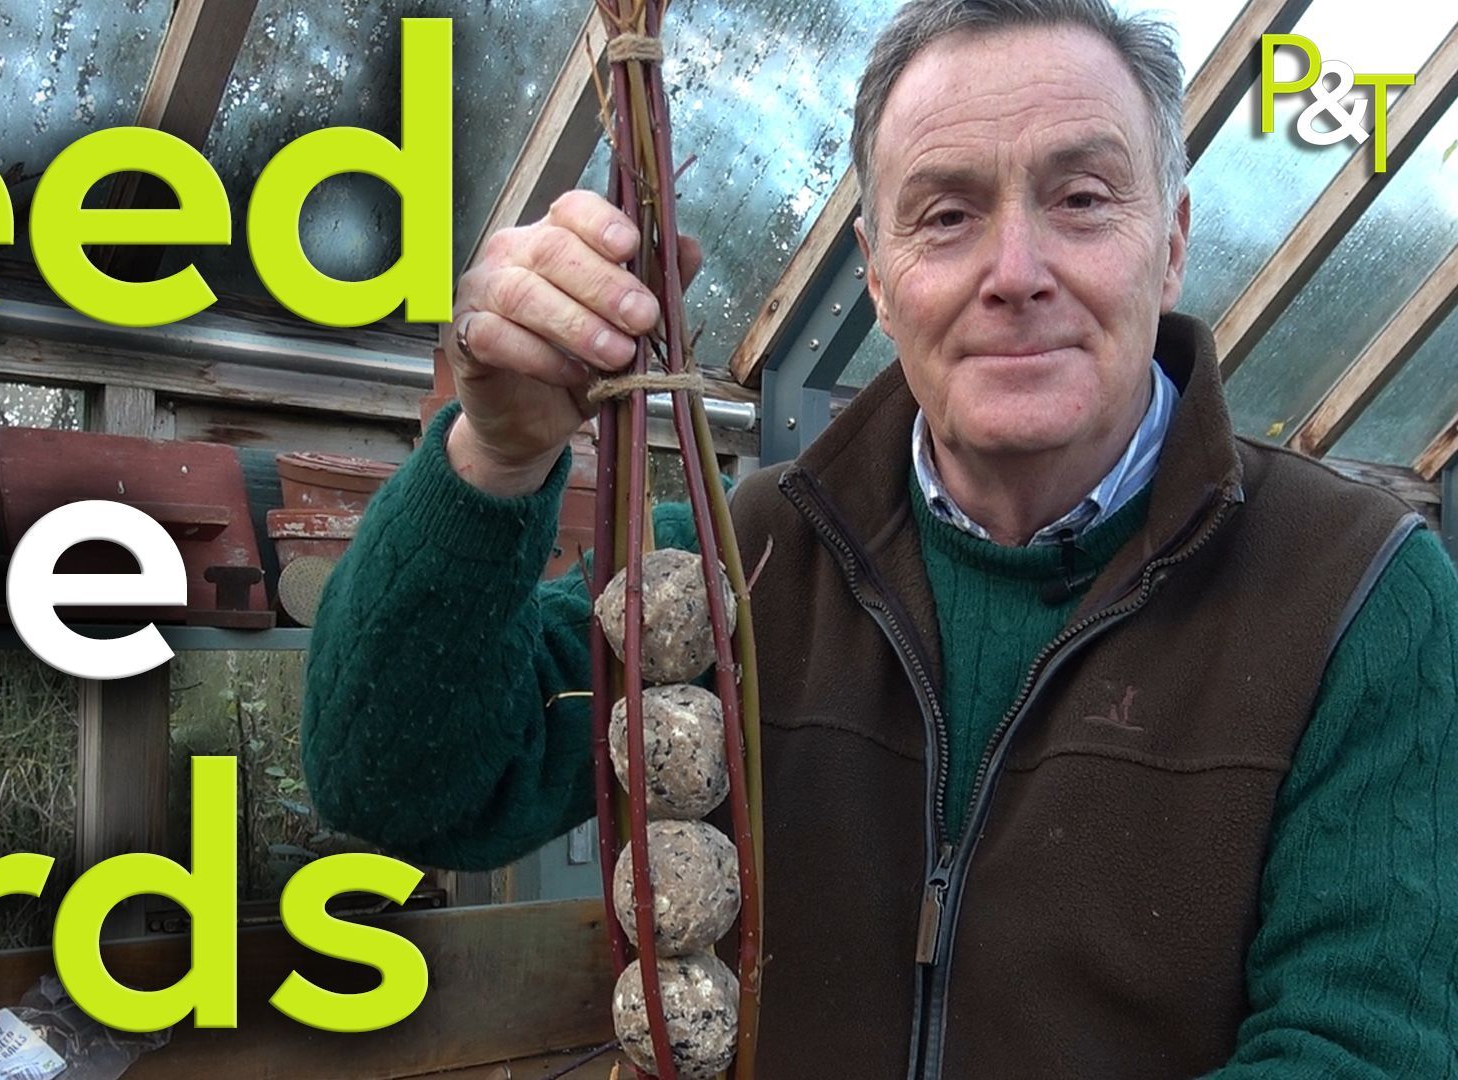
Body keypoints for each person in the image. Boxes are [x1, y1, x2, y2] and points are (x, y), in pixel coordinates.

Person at [300, 0, 1458, 1075]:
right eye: (947, 216)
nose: (1016, 273)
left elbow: (1363, 1048)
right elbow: (399, 784)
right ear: (880, 276)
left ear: (1171, 239)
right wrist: (491, 462)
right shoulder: (744, 570)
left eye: (1083, 198)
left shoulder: (1357, 595)